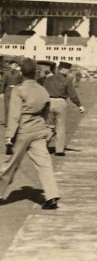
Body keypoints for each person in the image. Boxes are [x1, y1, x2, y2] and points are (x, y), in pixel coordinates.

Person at [0, 58, 60, 209]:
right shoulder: (42, 90)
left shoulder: (18, 90)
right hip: (38, 130)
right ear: (35, 72)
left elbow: (14, 115)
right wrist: (45, 128)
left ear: (21, 72)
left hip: (23, 131)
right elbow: (46, 111)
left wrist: (9, 135)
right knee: (44, 164)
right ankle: (52, 196)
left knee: (11, 165)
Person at [41, 62, 83, 156]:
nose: (68, 72)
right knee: (60, 127)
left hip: (49, 102)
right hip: (61, 102)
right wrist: (79, 105)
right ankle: (59, 150)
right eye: (68, 70)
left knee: (48, 126)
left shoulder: (48, 79)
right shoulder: (66, 80)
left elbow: (43, 91)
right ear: (63, 69)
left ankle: (44, 147)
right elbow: (72, 95)